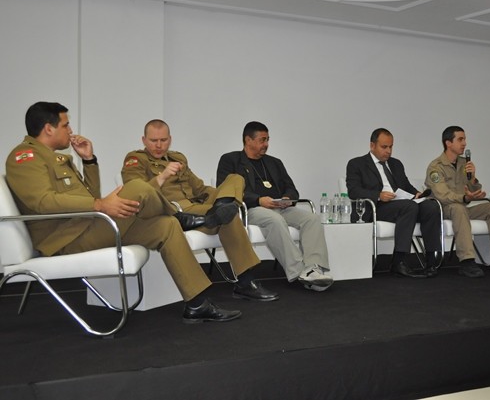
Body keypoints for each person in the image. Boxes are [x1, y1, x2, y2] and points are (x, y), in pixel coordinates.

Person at [6, 102, 241, 323]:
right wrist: (99, 205)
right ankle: (179, 216)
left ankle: (197, 305)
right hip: (65, 239)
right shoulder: (24, 157)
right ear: (49, 128)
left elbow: (90, 195)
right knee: (138, 187)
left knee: (166, 226)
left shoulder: (57, 158)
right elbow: (43, 202)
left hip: (87, 226)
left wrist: (88, 161)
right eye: (66, 125)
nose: (70, 130)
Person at [122, 119, 279, 301]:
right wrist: (162, 176)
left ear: (170, 139)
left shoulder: (178, 158)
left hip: (198, 208)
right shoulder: (136, 160)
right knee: (229, 218)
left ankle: (221, 208)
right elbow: (138, 195)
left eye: (163, 140)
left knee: (235, 179)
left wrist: (223, 195)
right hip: (174, 211)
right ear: (144, 140)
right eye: (153, 140)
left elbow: (200, 189)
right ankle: (245, 282)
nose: (159, 145)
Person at [216, 121, 333, 292]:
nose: (266, 144)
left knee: (312, 219)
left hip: (281, 207)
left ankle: (313, 268)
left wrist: (287, 198)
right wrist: (258, 200)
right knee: (275, 220)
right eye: (262, 140)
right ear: (248, 140)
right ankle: (299, 271)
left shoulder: (274, 162)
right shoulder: (230, 160)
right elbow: (225, 190)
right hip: (251, 209)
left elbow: (291, 188)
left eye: (268, 139)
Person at [426, 126, 490, 278]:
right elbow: (442, 194)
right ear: (448, 143)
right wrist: (465, 198)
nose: (464, 143)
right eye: (460, 139)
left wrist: (472, 179)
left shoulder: (464, 163)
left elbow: (472, 188)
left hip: (462, 206)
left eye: (465, 139)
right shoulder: (436, 166)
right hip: (443, 209)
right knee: (458, 208)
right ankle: (467, 261)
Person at [346, 128, 441, 278]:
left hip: (401, 205)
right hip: (376, 207)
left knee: (431, 206)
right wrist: (378, 195)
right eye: (384, 147)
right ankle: (398, 261)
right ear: (372, 145)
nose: (388, 151)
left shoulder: (396, 164)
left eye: (391, 147)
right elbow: (353, 191)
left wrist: (417, 194)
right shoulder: (357, 164)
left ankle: (431, 260)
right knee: (409, 206)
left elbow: (406, 186)